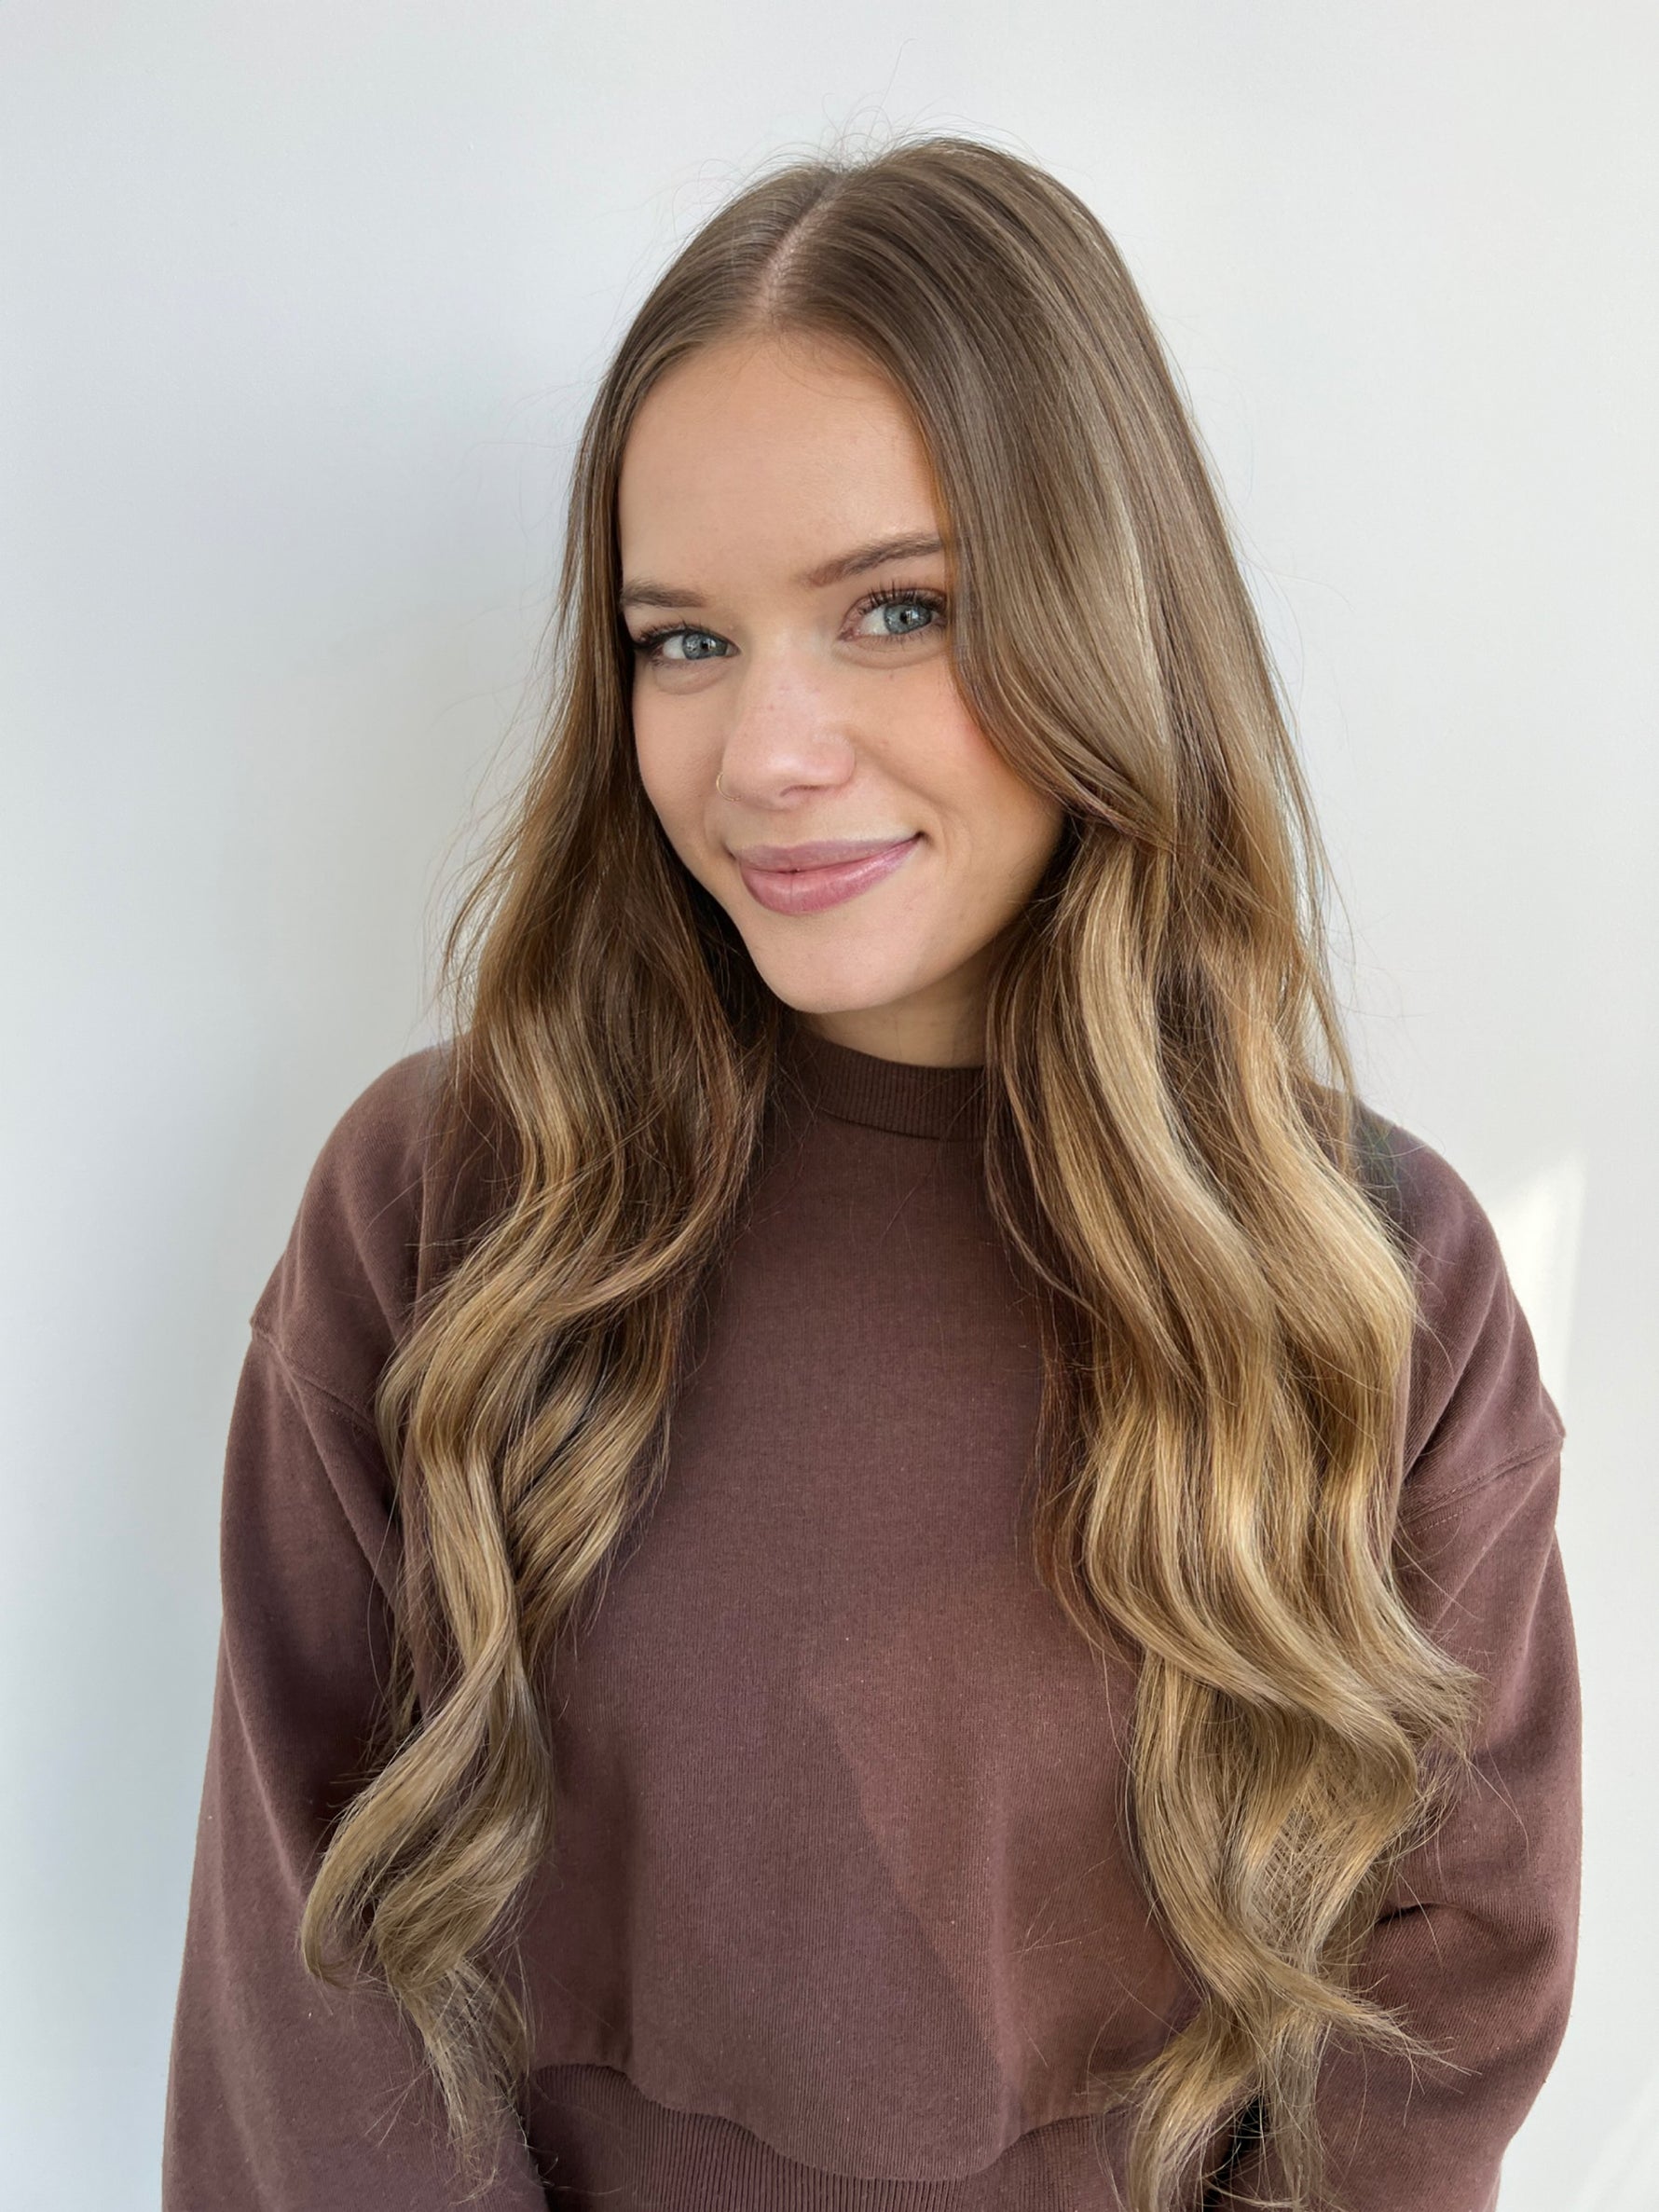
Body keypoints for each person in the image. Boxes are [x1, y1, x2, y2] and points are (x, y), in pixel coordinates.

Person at [160, 132, 1579, 2212]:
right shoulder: (442, 1205)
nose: (766, 754)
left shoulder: (1374, 1271)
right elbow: (310, 1988)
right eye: (682, 640)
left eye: (894, 609)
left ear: (1102, 615)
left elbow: (1443, 2001)